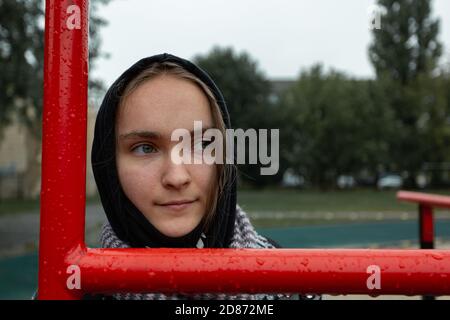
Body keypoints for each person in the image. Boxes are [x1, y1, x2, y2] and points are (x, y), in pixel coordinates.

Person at [90, 53, 309, 300]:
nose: (176, 177)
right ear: (109, 165)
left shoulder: (285, 279)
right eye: (145, 148)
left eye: (201, 144)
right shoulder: (71, 291)